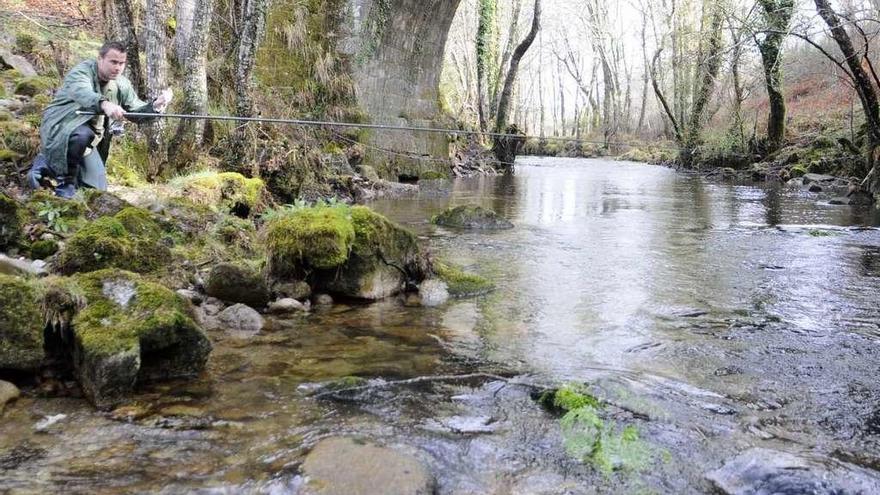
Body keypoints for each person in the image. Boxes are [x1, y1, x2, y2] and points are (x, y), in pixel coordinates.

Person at [28, 41, 172, 198]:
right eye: (113, 62)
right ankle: (64, 182)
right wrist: (104, 104)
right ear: (100, 59)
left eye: (122, 63)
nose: (117, 67)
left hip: (91, 140)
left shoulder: (122, 84)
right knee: (81, 135)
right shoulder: (81, 72)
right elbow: (82, 93)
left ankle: (53, 167)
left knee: (97, 190)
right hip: (61, 128)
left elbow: (135, 111)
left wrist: (156, 105)